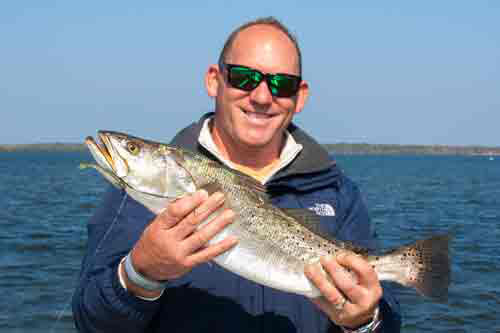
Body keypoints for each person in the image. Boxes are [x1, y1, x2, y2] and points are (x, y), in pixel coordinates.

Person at [72, 17, 401, 333]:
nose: (261, 97)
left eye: (281, 84)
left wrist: (362, 322)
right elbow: (92, 322)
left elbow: (385, 323)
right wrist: (141, 273)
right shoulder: (135, 196)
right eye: (244, 77)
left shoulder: (337, 192)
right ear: (214, 80)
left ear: (299, 97)